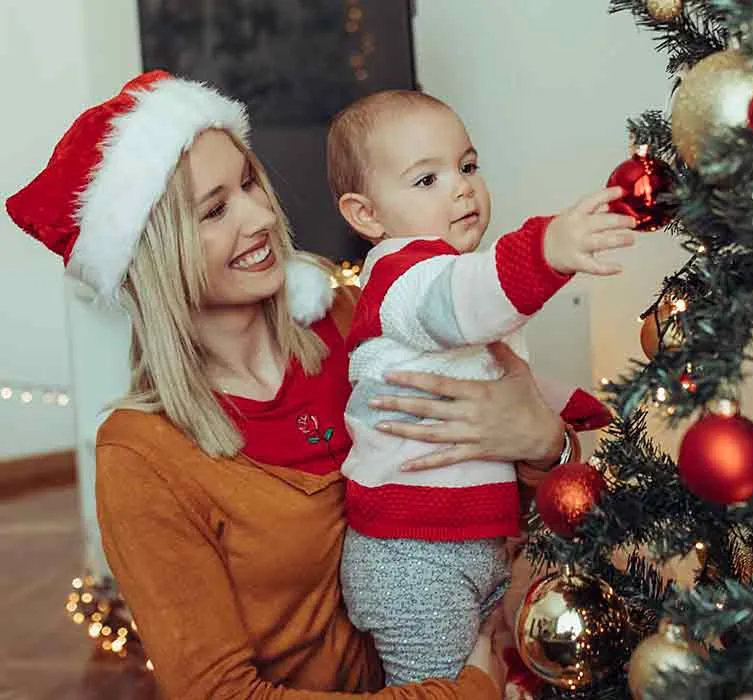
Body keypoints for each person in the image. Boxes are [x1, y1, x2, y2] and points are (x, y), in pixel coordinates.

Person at [5, 70, 584, 700]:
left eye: (249, 182)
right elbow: (221, 695)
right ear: (155, 254)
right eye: (215, 210)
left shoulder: (359, 322)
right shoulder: (143, 456)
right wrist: (465, 691)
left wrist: (545, 446)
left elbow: (502, 496)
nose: (260, 216)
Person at [324, 90, 634, 685]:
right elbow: (467, 298)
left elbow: (495, 371)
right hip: (411, 552)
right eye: (427, 180)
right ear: (366, 215)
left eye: (467, 166)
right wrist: (547, 249)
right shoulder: (403, 278)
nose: (462, 189)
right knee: (442, 690)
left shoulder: (451, 278)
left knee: (495, 667)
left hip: (472, 539)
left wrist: (571, 406)